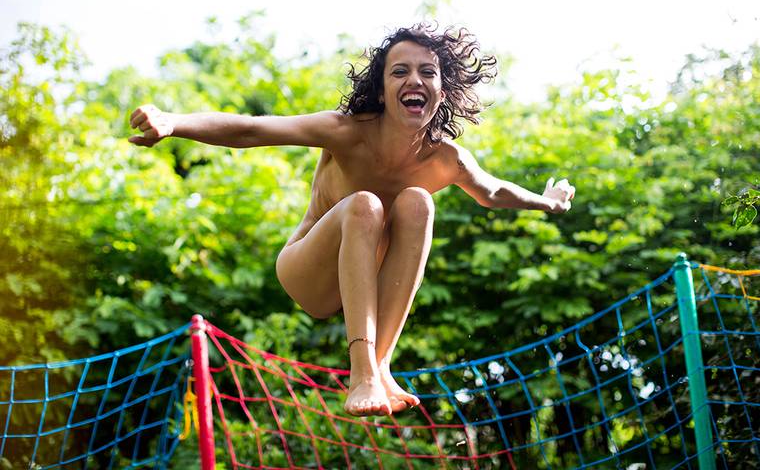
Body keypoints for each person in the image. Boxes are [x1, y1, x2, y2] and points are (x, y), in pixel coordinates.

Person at [129, 23, 575, 417]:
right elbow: (251, 129)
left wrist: (547, 202)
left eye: (427, 72)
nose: (414, 80)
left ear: (442, 90)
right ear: (381, 91)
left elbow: (493, 192)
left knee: (418, 202)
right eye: (399, 71)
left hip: (368, 283)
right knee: (365, 205)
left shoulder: (446, 159)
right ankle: (361, 374)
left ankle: (380, 367)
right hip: (308, 271)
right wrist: (173, 122)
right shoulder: (345, 131)